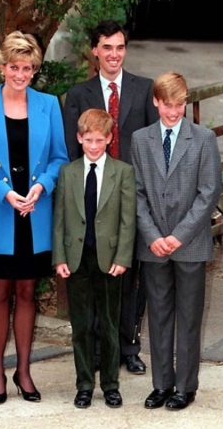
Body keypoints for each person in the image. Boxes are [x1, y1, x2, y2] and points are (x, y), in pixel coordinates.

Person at [0, 31, 69, 405]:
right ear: (2, 67)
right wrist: (3, 193)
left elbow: (59, 158)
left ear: (35, 69)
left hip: (35, 213)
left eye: (27, 68)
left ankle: (24, 371)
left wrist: (41, 187)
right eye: (14, 67)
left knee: (27, 292)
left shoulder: (48, 105)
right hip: (0, 213)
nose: (21, 74)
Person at [63, 19, 158, 375]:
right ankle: (99, 348)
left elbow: (152, 145)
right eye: (107, 47)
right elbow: (72, 151)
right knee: (96, 272)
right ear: (95, 51)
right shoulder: (78, 95)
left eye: (120, 47)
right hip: (93, 199)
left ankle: (128, 345)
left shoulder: (143, 89)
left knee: (130, 274)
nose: (114, 54)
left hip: (133, 196)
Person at [131, 71, 222, 411]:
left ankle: (185, 386)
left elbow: (209, 193)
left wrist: (178, 235)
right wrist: (153, 236)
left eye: (180, 105)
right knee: (158, 315)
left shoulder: (203, 138)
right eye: (168, 105)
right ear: (156, 102)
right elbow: (136, 193)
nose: (173, 112)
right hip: (153, 244)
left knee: (189, 316)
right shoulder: (141, 139)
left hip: (190, 242)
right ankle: (161, 384)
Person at [53, 109, 136, 409]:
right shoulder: (68, 172)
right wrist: (59, 257)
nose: (93, 146)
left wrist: (123, 257)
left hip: (109, 259)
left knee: (110, 324)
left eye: (100, 140)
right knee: (82, 325)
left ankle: (111, 384)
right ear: (79, 138)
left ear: (110, 139)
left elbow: (128, 220)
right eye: (88, 140)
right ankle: (85, 384)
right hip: (77, 259)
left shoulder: (122, 172)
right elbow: (59, 218)